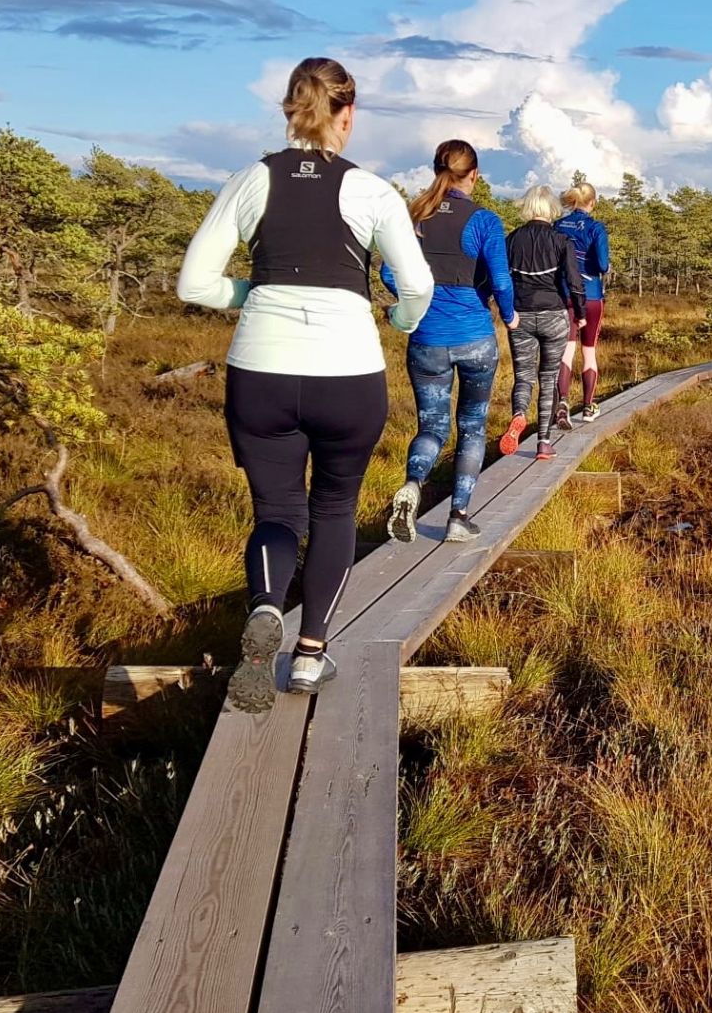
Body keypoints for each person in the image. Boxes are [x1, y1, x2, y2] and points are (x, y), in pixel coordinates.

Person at [177, 57, 433, 709]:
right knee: (335, 510)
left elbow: (195, 284)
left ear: (290, 110)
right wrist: (400, 318)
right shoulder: (373, 192)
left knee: (278, 513)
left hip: (261, 372)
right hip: (348, 374)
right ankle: (312, 653)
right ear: (348, 116)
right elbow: (419, 285)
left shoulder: (250, 180)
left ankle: (266, 608)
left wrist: (255, 290)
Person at [384, 141, 517, 545]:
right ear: (474, 174)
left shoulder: (413, 217)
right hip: (475, 337)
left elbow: (389, 275)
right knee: (472, 426)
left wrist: (415, 300)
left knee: (432, 427)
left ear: (436, 168)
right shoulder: (484, 221)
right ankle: (458, 517)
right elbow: (501, 281)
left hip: (426, 339)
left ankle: (412, 484)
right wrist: (509, 315)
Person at [498, 185, 585, 460]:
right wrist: (580, 313)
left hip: (520, 315)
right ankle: (544, 443)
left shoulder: (511, 240)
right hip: (554, 315)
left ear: (527, 207)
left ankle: (519, 415)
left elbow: (500, 279)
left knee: (523, 376)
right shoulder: (561, 240)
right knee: (547, 378)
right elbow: (574, 282)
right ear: (551, 209)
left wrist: (505, 311)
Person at [553, 180, 611, 425]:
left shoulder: (557, 226)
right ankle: (588, 407)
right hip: (592, 295)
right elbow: (602, 264)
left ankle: (563, 402)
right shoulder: (596, 228)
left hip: (564, 294)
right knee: (589, 351)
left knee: (566, 351)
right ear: (593, 202)